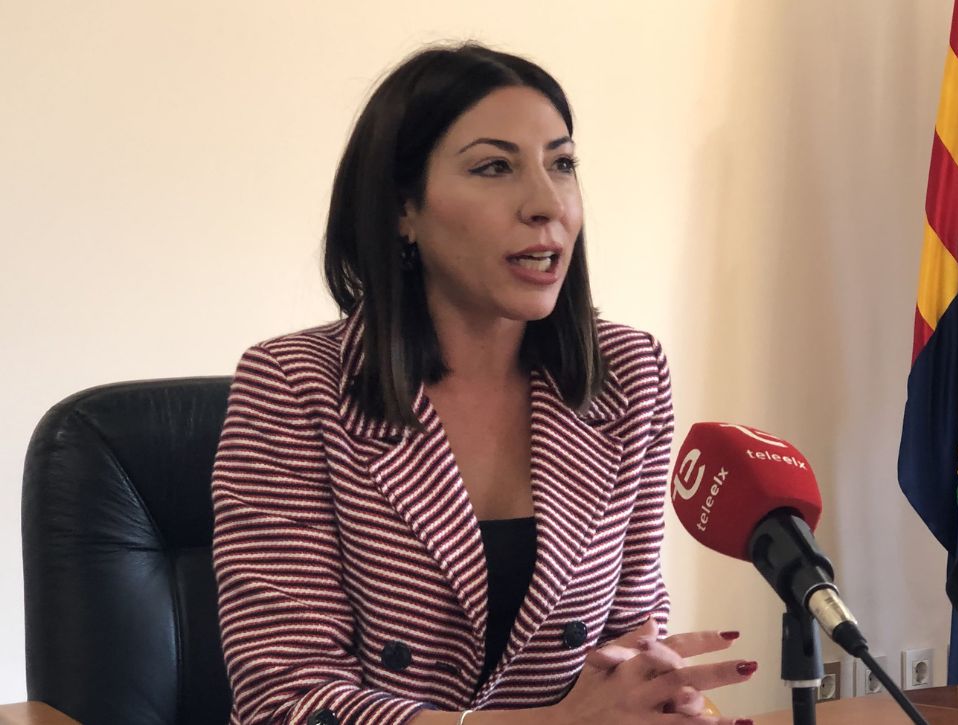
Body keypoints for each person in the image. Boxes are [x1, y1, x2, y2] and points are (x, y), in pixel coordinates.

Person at [210, 43, 756, 725]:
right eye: (495, 167)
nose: (547, 202)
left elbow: (630, 639)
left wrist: (660, 695)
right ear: (403, 209)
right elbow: (286, 702)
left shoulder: (628, 373)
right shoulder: (294, 386)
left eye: (562, 164)